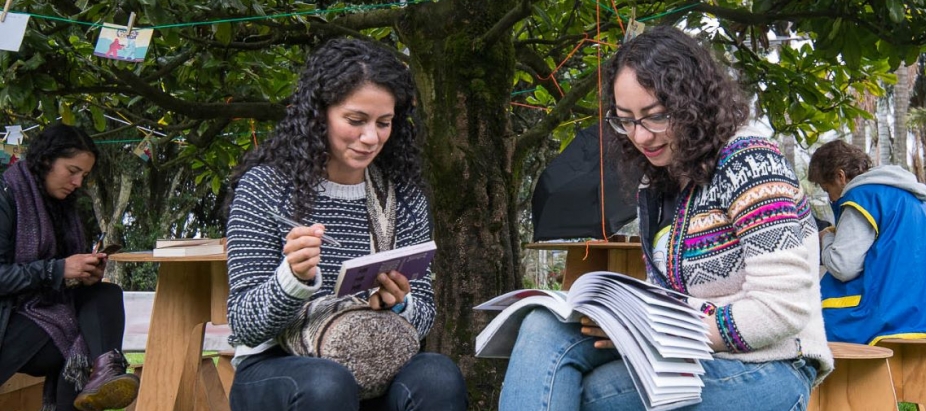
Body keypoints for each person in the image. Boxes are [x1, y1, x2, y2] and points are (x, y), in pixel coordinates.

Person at [498, 26, 833, 411]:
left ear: (695, 104)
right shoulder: (657, 181)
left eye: (654, 117)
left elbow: (781, 309)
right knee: (544, 327)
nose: (640, 136)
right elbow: (668, 298)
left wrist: (655, 332)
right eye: (625, 120)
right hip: (685, 356)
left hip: (771, 367)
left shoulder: (750, 161)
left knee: (594, 394)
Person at [224, 38, 466, 411]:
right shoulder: (265, 187)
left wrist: (399, 304)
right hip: (279, 366)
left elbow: (425, 317)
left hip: (374, 358)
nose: (370, 138)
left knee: (438, 374)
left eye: (384, 123)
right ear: (318, 114)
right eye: (355, 121)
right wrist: (293, 279)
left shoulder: (402, 196)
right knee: (328, 383)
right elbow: (244, 325)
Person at [0, 124, 139, 411]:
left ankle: (105, 373)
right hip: (9, 321)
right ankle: (102, 373)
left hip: (44, 312)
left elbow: (60, 275)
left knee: (106, 294)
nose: (77, 182)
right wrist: (58, 270)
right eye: (72, 170)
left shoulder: (63, 207)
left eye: (84, 176)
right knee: (84, 341)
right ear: (47, 159)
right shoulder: (7, 194)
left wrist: (83, 274)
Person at [807, 140, 926, 345]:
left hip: (889, 317)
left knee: (809, 323)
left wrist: (826, 236)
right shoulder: (911, 195)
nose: (831, 199)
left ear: (840, 176)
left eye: (827, 190)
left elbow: (842, 266)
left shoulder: (862, 196)